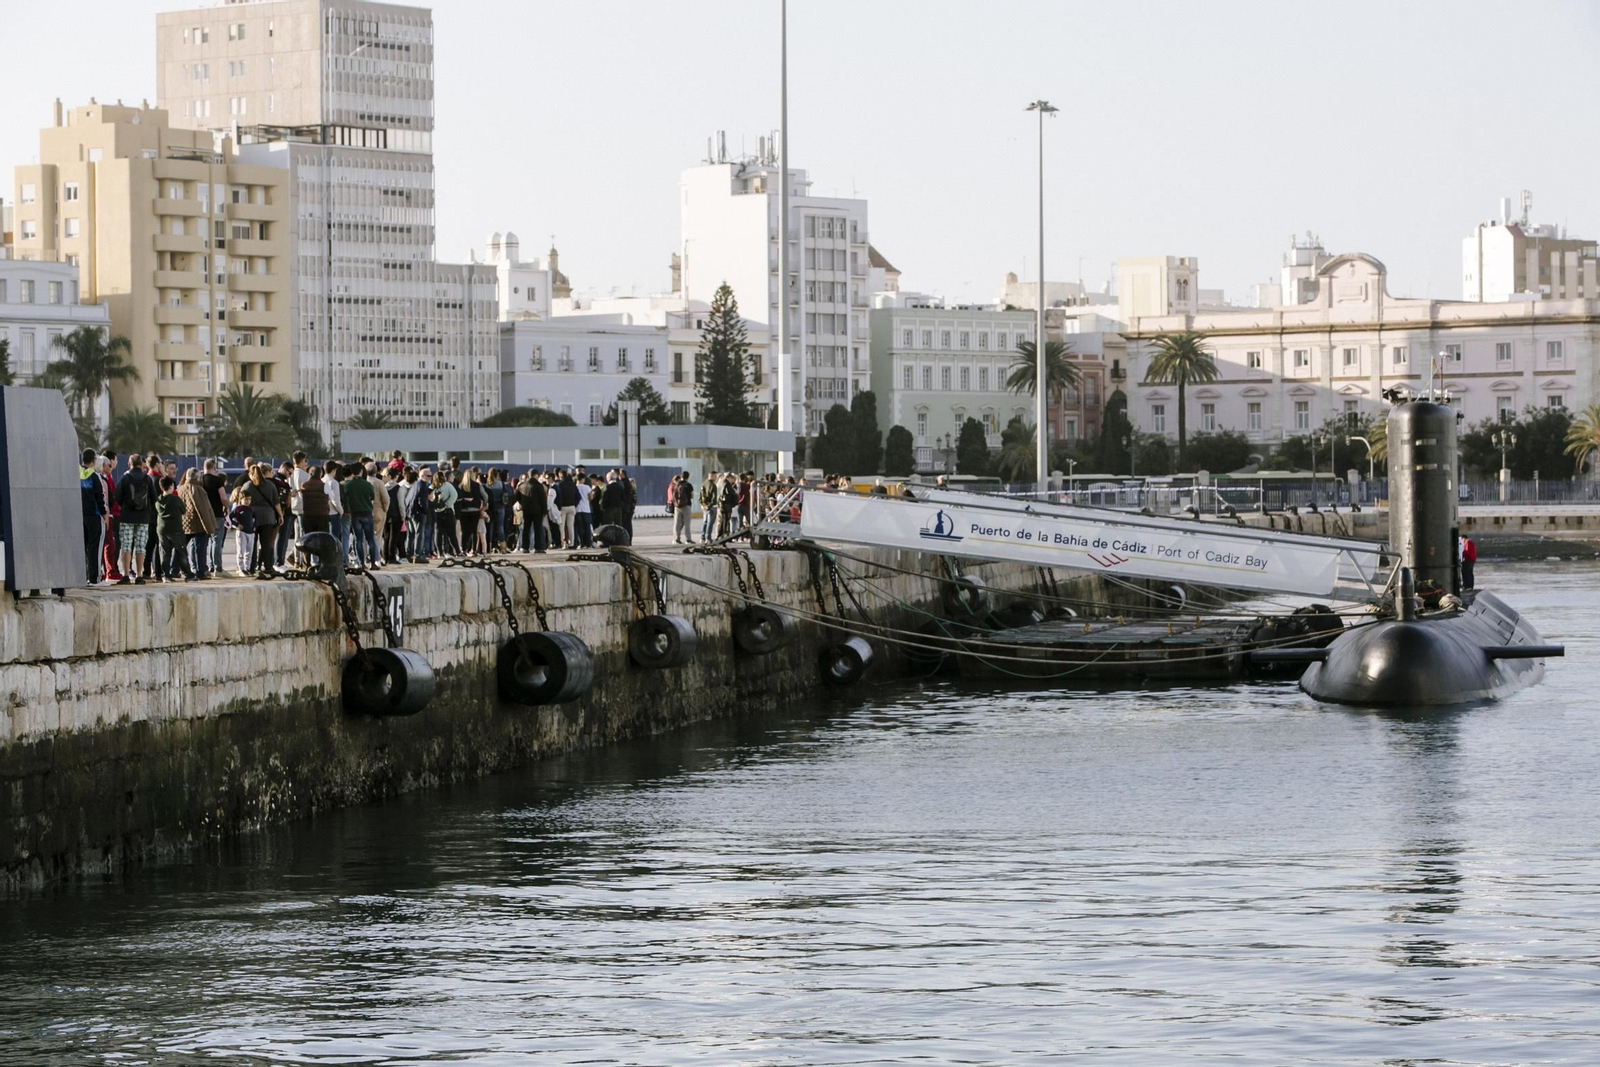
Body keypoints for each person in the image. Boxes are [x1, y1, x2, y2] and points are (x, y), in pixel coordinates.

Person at [112, 454, 155, 585]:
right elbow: (154, 498)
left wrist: (126, 506)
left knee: (126, 546)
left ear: (129, 464)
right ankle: (139, 575)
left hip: (127, 517)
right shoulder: (147, 479)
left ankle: (125, 574)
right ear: (142, 464)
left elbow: (117, 497)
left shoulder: (125, 478)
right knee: (141, 547)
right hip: (143, 518)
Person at [154, 476, 197, 582]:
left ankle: (166, 575)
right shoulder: (175, 499)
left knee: (164, 552)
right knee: (181, 551)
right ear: (171, 486)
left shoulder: (158, 500)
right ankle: (188, 574)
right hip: (175, 528)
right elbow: (183, 510)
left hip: (161, 528)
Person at [244, 464, 281, 578]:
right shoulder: (270, 485)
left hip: (252, 516)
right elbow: (276, 502)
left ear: (251, 474)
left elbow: (241, 500)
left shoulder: (247, 485)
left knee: (252, 543)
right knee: (266, 543)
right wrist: (280, 515)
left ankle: (252, 566)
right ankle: (268, 567)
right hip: (268, 516)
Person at [179, 468, 216, 579]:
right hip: (198, 523)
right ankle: (200, 572)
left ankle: (174, 569)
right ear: (197, 477)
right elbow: (204, 509)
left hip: (184, 522)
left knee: (180, 547)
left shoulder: (180, 489)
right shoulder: (198, 489)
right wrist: (209, 525)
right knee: (200, 548)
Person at [343, 461, 379, 567]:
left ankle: (361, 562)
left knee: (358, 539)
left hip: (355, 514)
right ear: (361, 471)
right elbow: (372, 496)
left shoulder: (348, 485)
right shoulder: (367, 484)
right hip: (367, 513)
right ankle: (373, 563)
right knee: (370, 539)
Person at [79, 448, 105, 584]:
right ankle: (94, 577)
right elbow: (100, 498)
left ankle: (81, 577)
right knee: (94, 547)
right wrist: (105, 515)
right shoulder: (94, 476)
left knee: (81, 546)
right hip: (93, 516)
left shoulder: (75, 473)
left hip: (78, 516)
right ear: (93, 461)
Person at [201, 459, 230, 577]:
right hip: (216, 513)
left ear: (204, 467)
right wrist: (226, 507)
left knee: (204, 542)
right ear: (214, 468)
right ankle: (217, 568)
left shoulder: (200, 480)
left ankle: (207, 567)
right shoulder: (218, 480)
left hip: (203, 514)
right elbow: (223, 497)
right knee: (216, 541)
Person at [515, 469, 549, 553]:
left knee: (526, 528)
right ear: (535, 475)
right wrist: (545, 511)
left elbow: (517, 497)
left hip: (526, 510)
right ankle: (538, 547)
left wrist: (523, 504)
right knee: (537, 529)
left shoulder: (522, 485)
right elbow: (542, 499)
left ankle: (524, 547)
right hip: (537, 511)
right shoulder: (538, 485)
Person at [431, 470, 460, 558]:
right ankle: (457, 551)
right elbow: (454, 495)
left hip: (437, 512)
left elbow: (430, 499)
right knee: (451, 533)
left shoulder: (432, 487)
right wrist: (447, 504)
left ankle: (440, 552)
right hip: (448, 511)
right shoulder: (447, 485)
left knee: (438, 533)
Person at [456, 467, 485, 555]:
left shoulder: (460, 486)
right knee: (474, 530)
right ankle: (473, 550)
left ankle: (464, 549)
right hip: (475, 510)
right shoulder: (477, 485)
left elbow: (457, 498)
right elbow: (485, 496)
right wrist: (482, 503)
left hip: (463, 510)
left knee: (464, 531)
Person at [299, 466, 331, 534]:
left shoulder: (304, 485)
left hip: (308, 514)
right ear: (321, 474)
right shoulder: (324, 485)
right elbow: (330, 497)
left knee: (309, 537)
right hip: (322, 514)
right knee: (322, 536)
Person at [555, 469, 579, 548]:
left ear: (560, 476)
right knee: (570, 526)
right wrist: (574, 504)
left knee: (561, 525)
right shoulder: (573, 484)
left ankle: (563, 543)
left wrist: (558, 506)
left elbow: (557, 497)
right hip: (572, 506)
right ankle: (572, 543)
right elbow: (578, 496)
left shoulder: (559, 485)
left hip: (562, 507)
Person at [671, 470, 695, 544]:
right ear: (688, 477)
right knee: (687, 523)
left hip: (677, 506)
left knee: (677, 523)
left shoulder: (676, 485)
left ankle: (676, 539)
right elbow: (692, 496)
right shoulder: (689, 485)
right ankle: (688, 539)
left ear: (681, 476)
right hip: (686, 505)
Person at [699, 472, 719, 542]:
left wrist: (702, 504)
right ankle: (708, 537)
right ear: (712, 476)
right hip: (712, 506)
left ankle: (702, 537)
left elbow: (700, 496)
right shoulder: (713, 485)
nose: (716, 477)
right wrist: (709, 505)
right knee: (710, 522)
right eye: (715, 476)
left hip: (704, 506)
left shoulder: (703, 484)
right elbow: (714, 498)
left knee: (705, 521)